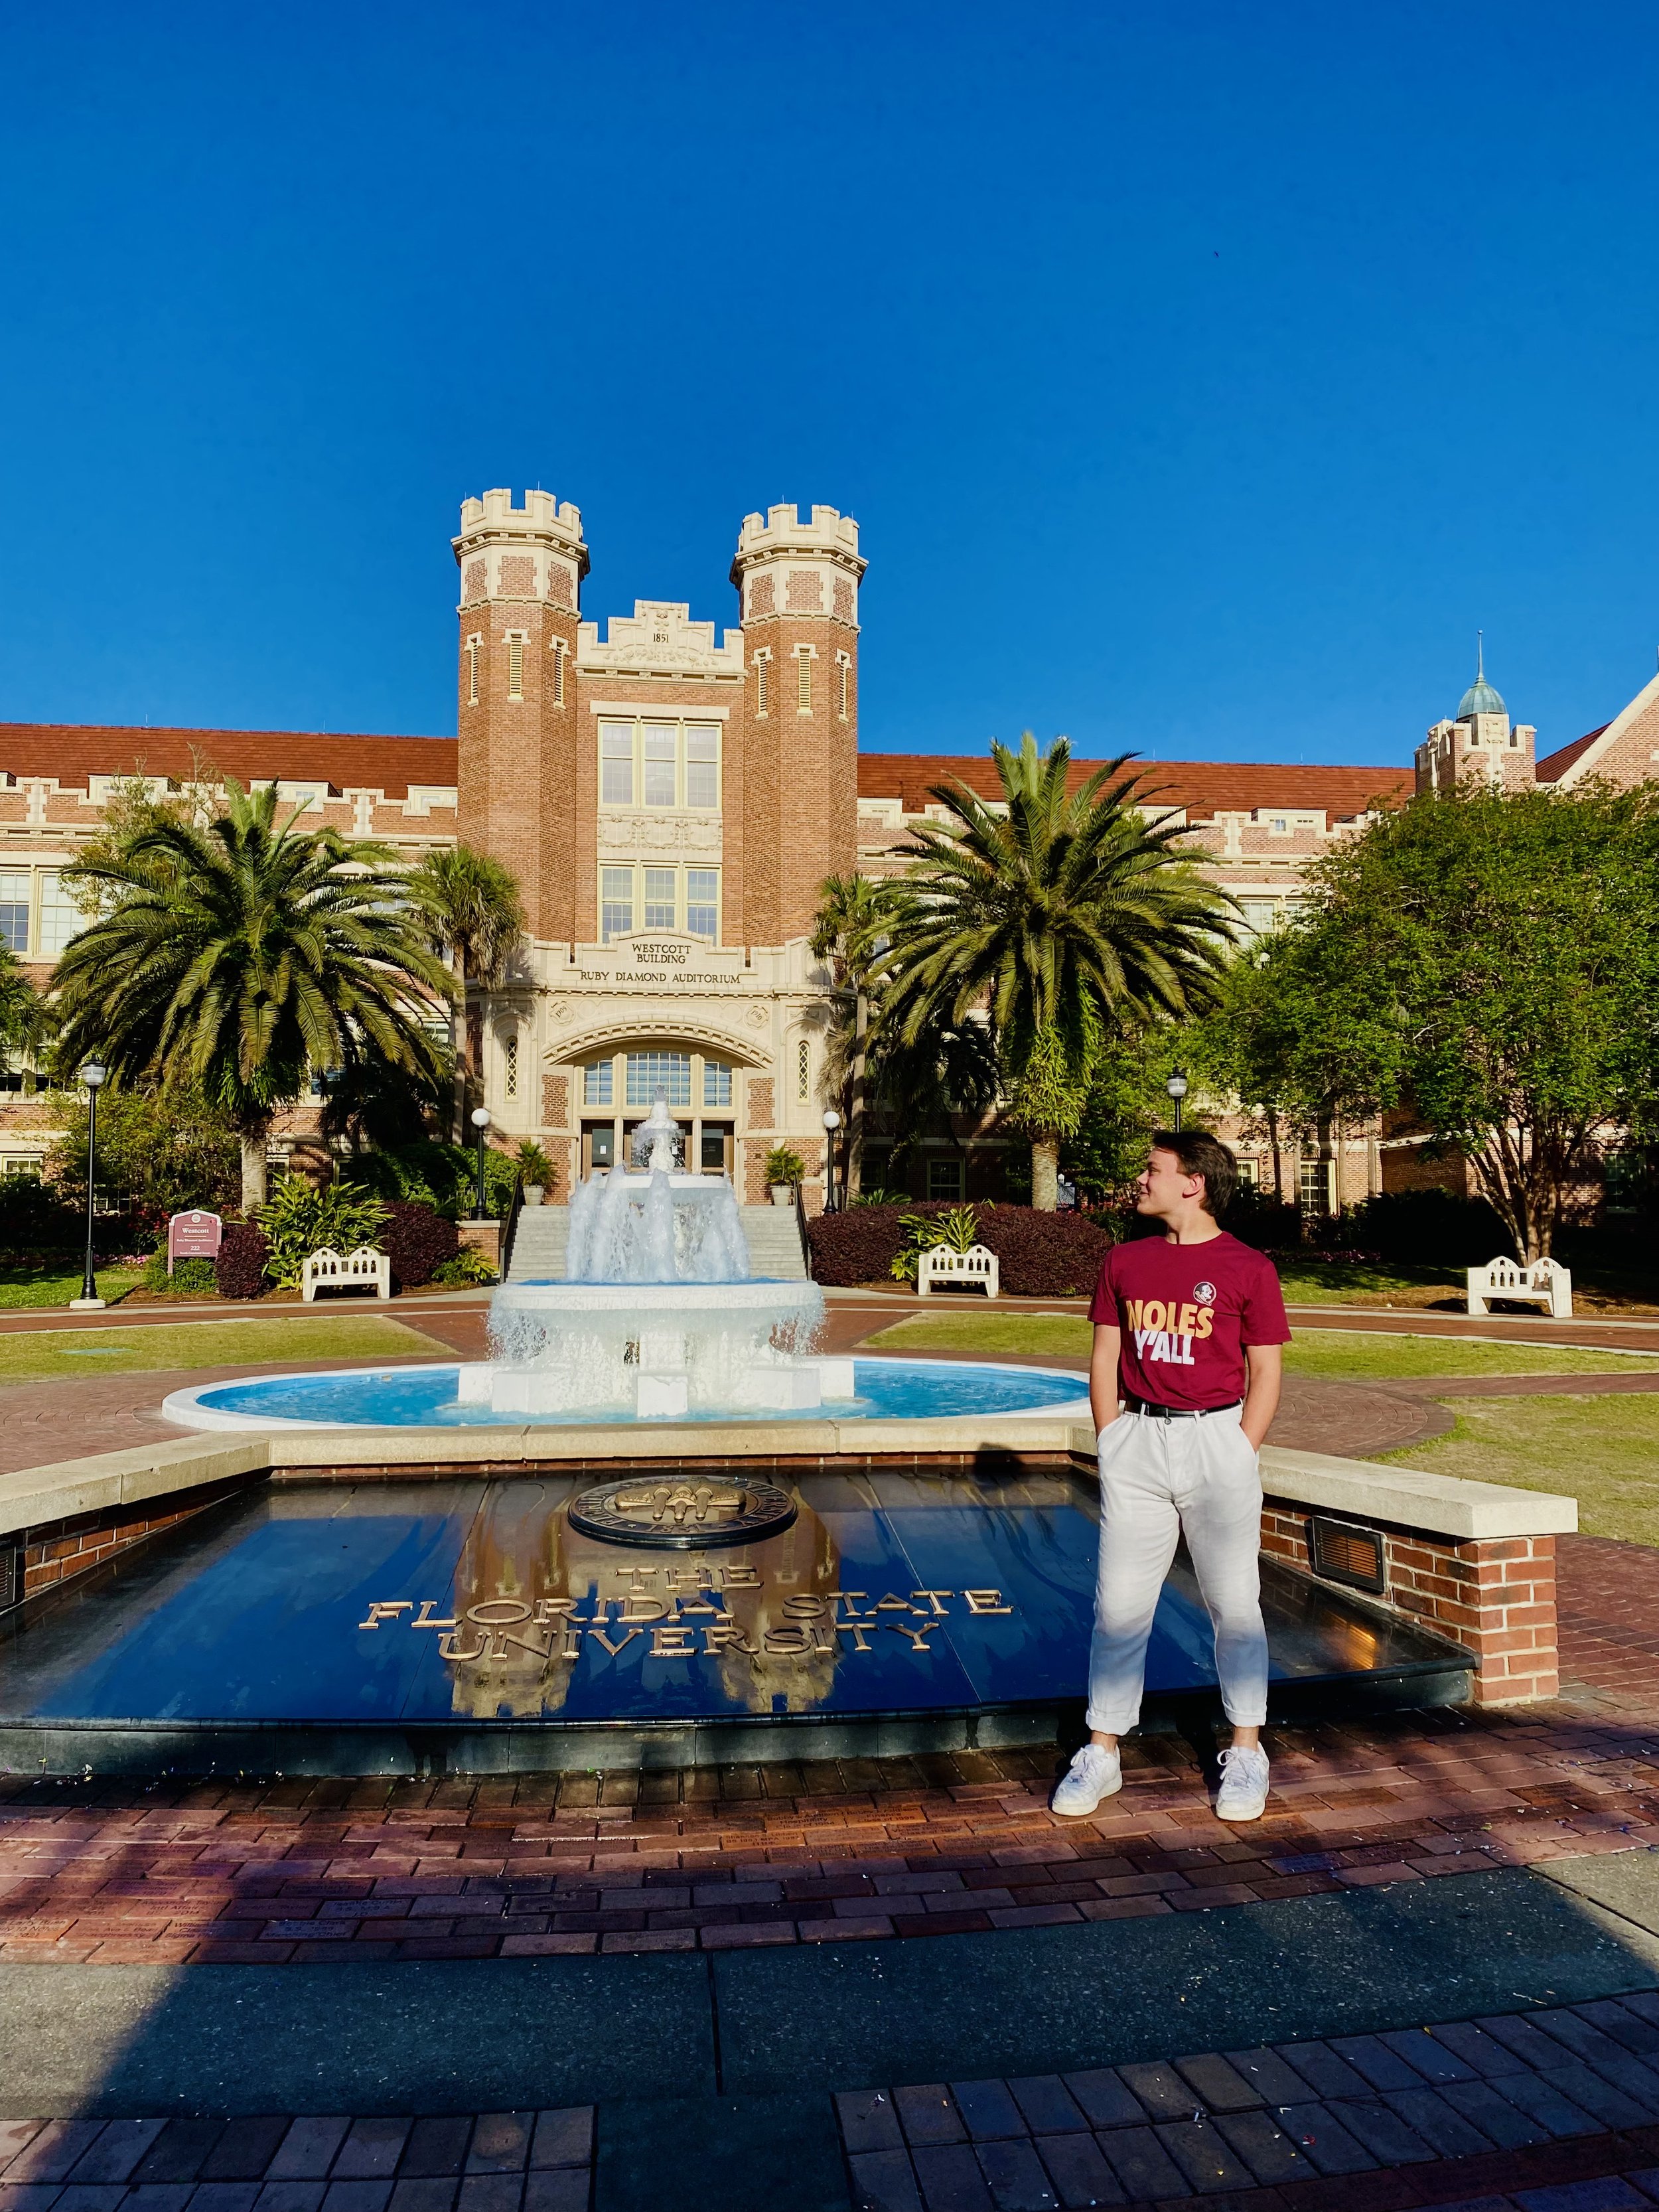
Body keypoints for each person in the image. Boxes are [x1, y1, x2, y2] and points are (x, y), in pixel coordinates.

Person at [1052, 1129, 1289, 1824]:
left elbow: (1266, 1371)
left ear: (1194, 1182)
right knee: (1119, 1606)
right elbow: (1104, 1354)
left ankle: (1245, 1751)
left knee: (1233, 1605)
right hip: (1138, 1444)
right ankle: (1102, 1751)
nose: (1140, 1179)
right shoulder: (1123, 1261)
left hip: (1216, 1440)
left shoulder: (1249, 1268)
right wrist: (1112, 1436)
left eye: (1152, 1169)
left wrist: (1239, 1448)